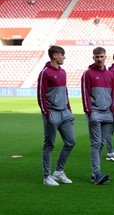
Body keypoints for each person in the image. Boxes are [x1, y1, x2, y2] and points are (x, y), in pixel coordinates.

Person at [38, 45, 76, 186]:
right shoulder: (45, 73)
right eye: (62, 54)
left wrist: (69, 109)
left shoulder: (63, 72)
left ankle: (59, 171)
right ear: (55, 56)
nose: (64, 57)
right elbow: (41, 96)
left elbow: (65, 91)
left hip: (64, 113)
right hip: (52, 114)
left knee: (71, 141)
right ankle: (47, 177)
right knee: (49, 145)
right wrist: (47, 115)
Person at [81, 47, 114, 185]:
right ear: (93, 58)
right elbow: (85, 93)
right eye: (97, 57)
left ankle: (95, 173)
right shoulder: (87, 74)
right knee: (96, 144)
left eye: (101, 56)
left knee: (101, 143)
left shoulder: (110, 74)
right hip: (95, 113)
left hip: (107, 114)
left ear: (105, 57)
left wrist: (112, 109)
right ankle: (96, 173)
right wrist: (89, 112)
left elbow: (112, 93)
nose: (99, 59)